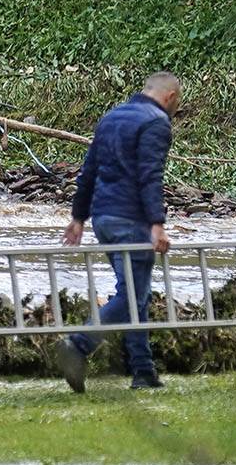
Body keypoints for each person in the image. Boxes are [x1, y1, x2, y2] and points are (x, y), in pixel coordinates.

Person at [55, 71, 181, 393]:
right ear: (169, 97)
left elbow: (89, 171)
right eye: (177, 102)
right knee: (133, 296)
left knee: (135, 295)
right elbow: (150, 175)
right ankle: (78, 344)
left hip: (104, 219)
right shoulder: (156, 122)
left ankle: (143, 371)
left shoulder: (111, 117)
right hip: (131, 220)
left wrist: (78, 217)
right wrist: (157, 223)